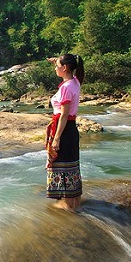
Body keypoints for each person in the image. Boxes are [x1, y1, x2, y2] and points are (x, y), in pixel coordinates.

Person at [45, 54, 84, 212]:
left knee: (63, 167)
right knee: (72, 165)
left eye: (57, 66)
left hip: (64, 130)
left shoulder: (67, 88)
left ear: (65, 68)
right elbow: (66, 68)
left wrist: (56, 138)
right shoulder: (75, 81)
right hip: (72, 130)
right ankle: (75, 203)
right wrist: (58, 61)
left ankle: (68, 206)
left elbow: (64, 115)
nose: (55, 68)